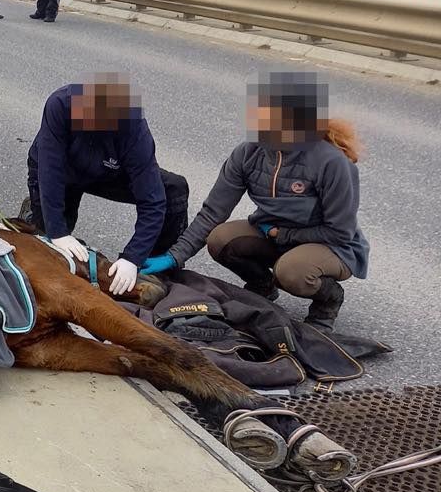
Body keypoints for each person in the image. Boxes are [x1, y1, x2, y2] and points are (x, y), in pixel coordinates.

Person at [141, 76, 368, 330]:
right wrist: (174, 257)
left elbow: (341, 231)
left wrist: (280, 234)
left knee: (292, 273)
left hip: (332, 245)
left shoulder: (332, 163)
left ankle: (327, 302)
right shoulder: (248, 153)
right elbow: (213, 212)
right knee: (220, 239)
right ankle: (262, 285)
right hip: (273, 234)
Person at [26, 77, 189, 296]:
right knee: (48, 247)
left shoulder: (133, 127)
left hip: (109, 171)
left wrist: (133, 257)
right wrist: (58, 232)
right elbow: (50, 172)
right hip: (64, 169)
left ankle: (153, 269)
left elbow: (152, 199)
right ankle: (36, 217)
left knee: (174, 189)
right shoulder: (60, 104)